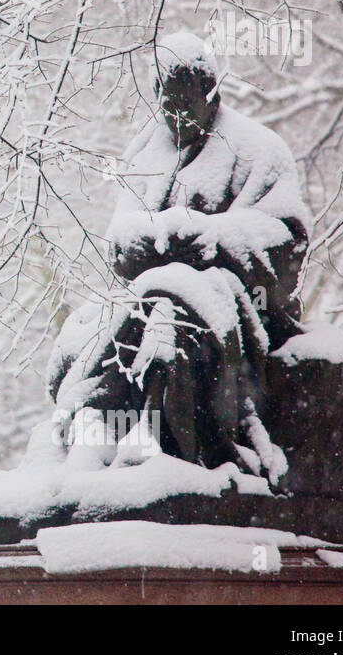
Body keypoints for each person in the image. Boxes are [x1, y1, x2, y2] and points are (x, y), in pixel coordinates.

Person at [46, 32, 309, 481]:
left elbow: (287, 240)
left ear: (211, 95)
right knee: (94, 326)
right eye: (167, 104)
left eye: (186, 103)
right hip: (148, 301)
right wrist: (158, 240)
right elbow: (119, 239)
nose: (176, 115)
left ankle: (173, 455)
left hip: (241, 311)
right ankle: (100, 425)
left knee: (172, 323)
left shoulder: (258, 150)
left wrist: (214, 239)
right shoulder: (145, 154)